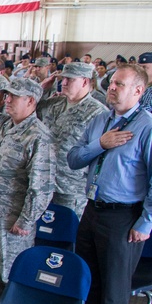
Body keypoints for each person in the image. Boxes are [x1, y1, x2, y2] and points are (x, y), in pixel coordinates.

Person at [66, 64, 152, 304]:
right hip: (92, 209)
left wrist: (146, 222)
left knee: (115, 289)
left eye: (120, 84)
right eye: (111, 82)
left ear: (138, 91)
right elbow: (74, 159)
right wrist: (100, 144)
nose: (112, 88)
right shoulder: (100, 120)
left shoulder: (146, 126)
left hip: (123, 214)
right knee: (90, 281)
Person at [0, 77, 54, 302]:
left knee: (11, 273)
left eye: (13, 96)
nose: (7, 100)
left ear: (30, 101)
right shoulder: (4, 123)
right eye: (6, 95)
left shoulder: (38, 135)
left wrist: (26, 220)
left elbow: (41, 186)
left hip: (11, 217)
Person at [38, 62, 108, 218]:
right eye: (63, 79)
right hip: (42, 183)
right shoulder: (54, 104)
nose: (64, 83)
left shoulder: (98, 113)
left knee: (66, 236)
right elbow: (28, 108)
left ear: (84, 81)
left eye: (70, 79)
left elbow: (101, 154)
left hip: (71, 188)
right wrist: (43, 88)